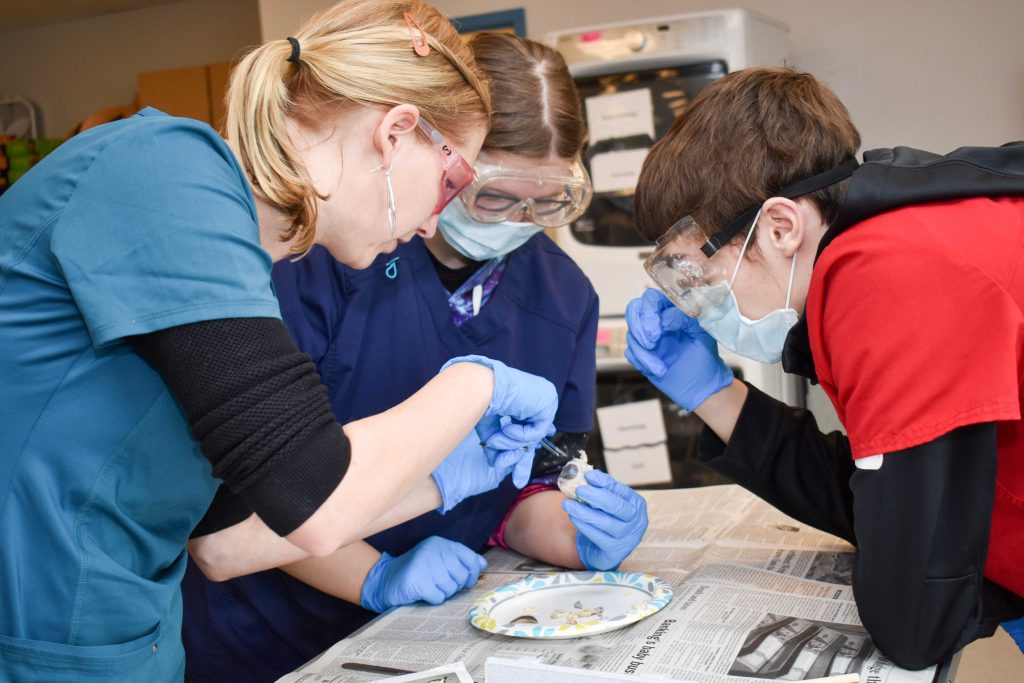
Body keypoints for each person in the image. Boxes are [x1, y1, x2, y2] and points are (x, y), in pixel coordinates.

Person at [0, 3, 562, 681]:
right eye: (453, 181)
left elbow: (230, 536)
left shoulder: (241, 257)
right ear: (395, 132)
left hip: (123, 641)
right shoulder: (164, 172)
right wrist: (477, 383)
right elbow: (316, 499)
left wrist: (443, 480)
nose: (433, 222)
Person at [181, 32, 649, 682]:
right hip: (269, 637)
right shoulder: (316, 259)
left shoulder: (561, 293)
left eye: (547, 203)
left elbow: (527, 483)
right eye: (493, 196)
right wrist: (373, 575)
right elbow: (234, 520)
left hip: (443, 631)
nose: (518, 219)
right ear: (436, 153)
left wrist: (577, 532)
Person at [625, 65, 1024, 669]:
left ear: (781, 227)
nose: (699, 300)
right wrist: (712, 394)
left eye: (698, 272)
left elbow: (914, 620)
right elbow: (882, 504)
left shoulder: (886, 281)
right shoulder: (888, 237)